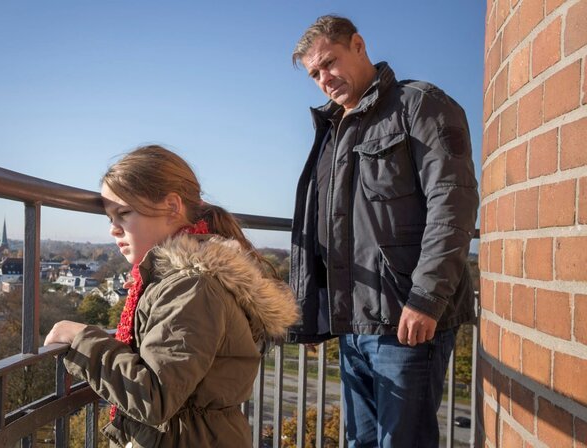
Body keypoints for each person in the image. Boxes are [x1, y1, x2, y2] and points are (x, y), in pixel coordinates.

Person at [287, 15, 479, 447]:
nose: (324, 79)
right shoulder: (333, 132)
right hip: (355, 326)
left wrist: (426, 299)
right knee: (361, 442)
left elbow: (454, 204)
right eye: (314, 73)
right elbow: (330, 230)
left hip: (408, 322)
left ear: (358, 45)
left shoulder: (420, 105)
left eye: (329, 63)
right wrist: (312, 314)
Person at [44, 145, 299, 447]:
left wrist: (81, 339)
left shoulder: (192, 288)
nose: (113, 229)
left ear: (172, 207)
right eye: (109, 217)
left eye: (123, 213)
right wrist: (151, 293)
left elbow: (154, 398)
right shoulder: (185, 282)